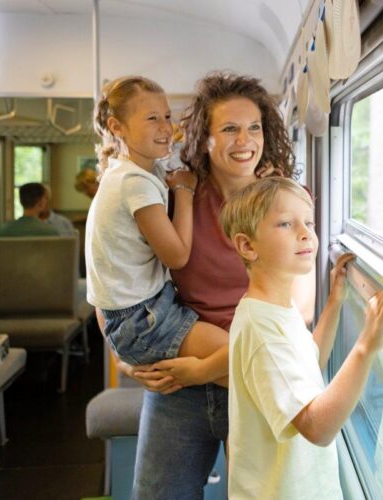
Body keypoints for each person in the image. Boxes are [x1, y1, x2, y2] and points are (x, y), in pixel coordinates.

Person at [109, 72, 313, 499]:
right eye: (230, 128)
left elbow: (301, 314)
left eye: (254, 127)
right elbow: (117, 276)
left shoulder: (288, 202)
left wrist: (202, 368)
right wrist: (127, 360)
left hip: (255, 378)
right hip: (179, 384)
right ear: (204, 138)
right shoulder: (173, 198)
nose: (245, 140)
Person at [221, 177, 383, 499]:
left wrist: (334, 303)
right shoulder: (261, 330)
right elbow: (317, 428)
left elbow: (309, 363)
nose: (305, 233)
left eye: (309, 222)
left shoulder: (277, 306)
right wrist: (366, 346)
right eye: (285, 224)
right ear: (248, 246)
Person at [86, 75, 228, 379]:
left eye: (166, 116)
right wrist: (184, 190)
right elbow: (177, 257)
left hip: (142, 313)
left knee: (242, 371)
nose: (165, 127)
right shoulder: (134, 184)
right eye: (152, 118)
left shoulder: (137, 170)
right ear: (117, 127)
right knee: (241, 355)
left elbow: (174, 156)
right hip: (142, 321)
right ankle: (191, 375)